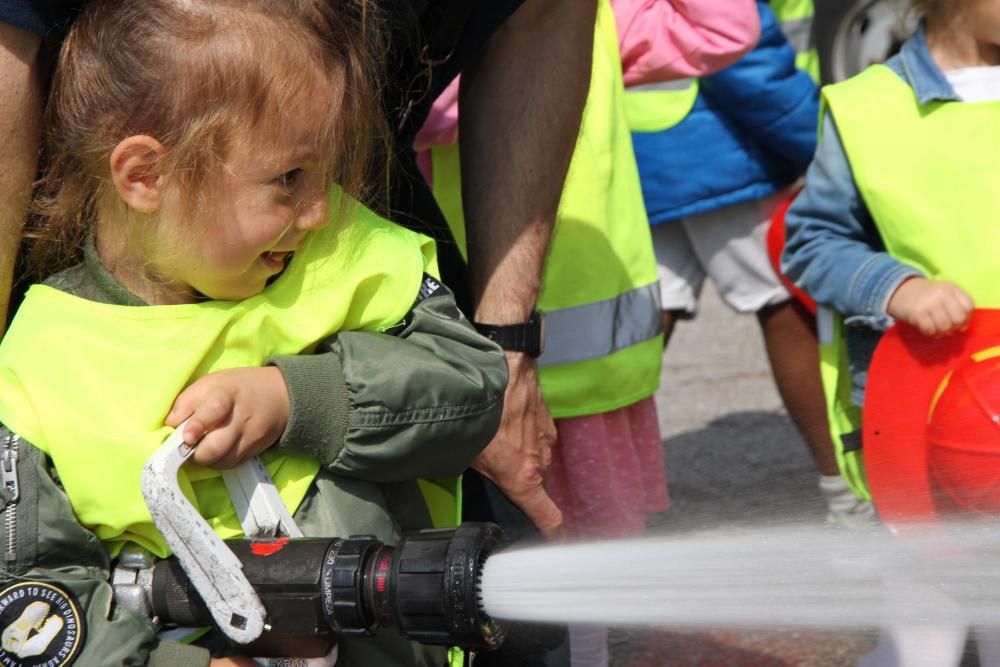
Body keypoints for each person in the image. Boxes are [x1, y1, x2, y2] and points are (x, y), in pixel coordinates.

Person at [0, 1, 508, 665]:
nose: (321, 209)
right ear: (145, 175)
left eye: (325, 170)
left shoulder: (346, 255)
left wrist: (302, 399)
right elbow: (33, 603)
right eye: (289, 178)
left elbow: (471, 388)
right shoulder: (43, 365)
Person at [416, 2, 759, 665]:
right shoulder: (490, 30)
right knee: (535, 552)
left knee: (585, 553)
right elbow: (429, 114)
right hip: (520, 362)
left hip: (579, 369)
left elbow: (727, 27)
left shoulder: (592, 15)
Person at [782, 0, 1000, 662]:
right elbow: (812, 241)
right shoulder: (868, 109)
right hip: (925, 426)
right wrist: (896, 288)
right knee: (924, 624)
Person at [626, 0, 874, 527]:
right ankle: (847, 493)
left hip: (640, 146)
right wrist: (823, 147)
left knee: (644, 318)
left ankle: (605, 494)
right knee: (785, 303)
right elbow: (746, 60)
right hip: (724, 147)